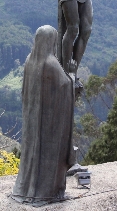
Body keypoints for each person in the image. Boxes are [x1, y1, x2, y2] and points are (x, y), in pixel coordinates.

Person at [12, 25, 75, 205]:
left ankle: (25, 189)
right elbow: (65, 87)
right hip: (49, 127)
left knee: (32, 155)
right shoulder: (51, 63)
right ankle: (47, 192)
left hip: (32, 123)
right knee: (49, 158)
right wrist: (71, 73)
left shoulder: (29, 61)